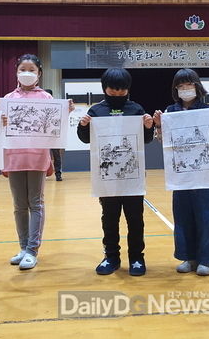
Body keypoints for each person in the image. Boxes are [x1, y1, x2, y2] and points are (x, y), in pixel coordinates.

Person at [0, 54, 73, 270]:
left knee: (36, 203)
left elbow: (55, 126)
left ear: (39, 73)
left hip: (37, 157)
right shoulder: (6, 99)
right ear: (16, 72)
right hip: (13, 157)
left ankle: (32, 249)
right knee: (19, 205)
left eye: (32, 70)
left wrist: (67, 111)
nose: (27, 73)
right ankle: (23, 247)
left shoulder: (47, 98)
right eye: (22, 69)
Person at [77, 68, 154, 276]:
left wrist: (148, 127)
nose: (118, 93)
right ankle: (111, 257)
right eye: (113, 89)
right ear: (105, 88)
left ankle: (137, 258)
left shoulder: (136, 109)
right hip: (107, 178)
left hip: (132, 176)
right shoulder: (96, 111)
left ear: (128, 88)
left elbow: (146, 140)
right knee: (109, 219)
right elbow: (85, 139)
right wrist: (83, 126)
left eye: (122, 89)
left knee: (135, 219)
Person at [153, 69, 209, 276]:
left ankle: (206, 259)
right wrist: (158, 126)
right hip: (181, 174)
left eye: (189, 85)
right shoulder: (170, 111)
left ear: (197, 86)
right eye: (181, 86)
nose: (185, 89)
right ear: (176, 89)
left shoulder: (207, 110)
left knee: (206, 216)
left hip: (203, 173)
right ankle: (188, 257)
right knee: (182, 216)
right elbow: (163, 141)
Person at [45, 89, 64, 181]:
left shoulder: (56, 106)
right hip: (43, 136)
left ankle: (58, 174)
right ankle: (44, 173)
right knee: (43, 155)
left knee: (56, 155)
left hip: (54, 135)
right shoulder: (41, 107)